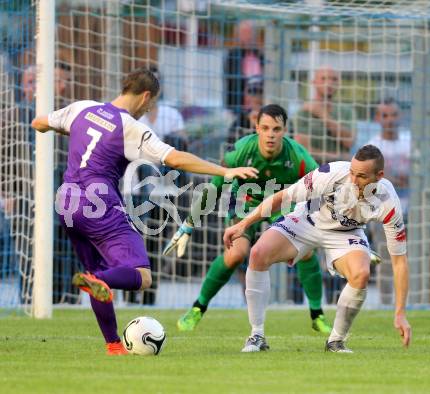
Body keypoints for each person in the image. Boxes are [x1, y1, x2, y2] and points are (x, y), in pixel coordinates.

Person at [31, 67, 258, 356]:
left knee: (100, 273)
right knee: (141, 275)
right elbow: (174, 159)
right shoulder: (131, 127)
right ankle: (100, 283)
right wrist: (226, 170)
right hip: (97, 203)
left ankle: (113, 345)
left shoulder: (82, 108)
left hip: (65, 202)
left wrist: (68, 129)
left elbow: (39, 123)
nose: (149, 110)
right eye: (151, 105)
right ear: (146, 96)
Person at [224, 145, 412, 353]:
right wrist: (242, 225)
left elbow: (399, 261)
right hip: (306, 221)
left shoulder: (389, 203)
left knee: (361, 273)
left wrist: (400, 313)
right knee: (258, 254)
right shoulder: (330, 174)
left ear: (379, 176)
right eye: (352, 172)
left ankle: (336, 341)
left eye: (361, 176)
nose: (353, 180)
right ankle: (256, 336)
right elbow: (283, 197)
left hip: (345, 234)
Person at [164, 104, 332, 334]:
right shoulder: (241, 150)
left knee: (306, 251)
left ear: (285, 130)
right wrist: (189, 224)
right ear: (257, 128)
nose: (270, 134)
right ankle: (197, 308)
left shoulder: (298, 156)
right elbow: (214, 188)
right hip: (244, 203)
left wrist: (340, 229)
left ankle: (317, 314)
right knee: (236, 255)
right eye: (265, 128)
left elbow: (324, 188)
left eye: (276, 129)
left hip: (280, 205)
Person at [367, 99, 410, 304]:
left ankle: (414, 300)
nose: (390, 119)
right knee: (386, 257)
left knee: (414, 255)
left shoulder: (410, 142)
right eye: (385, 115)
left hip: (412, 206)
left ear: (400, 116)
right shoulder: (373, 146)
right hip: (383, 210)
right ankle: (385, 303)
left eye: (393, 114)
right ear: (377, 119)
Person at [293, 66, 356, 164]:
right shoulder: (303, 112)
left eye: (334, 79)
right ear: (314, 82)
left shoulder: (347, 112)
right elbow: (303, 149)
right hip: (312, 169)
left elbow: (349, 142)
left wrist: (323, 115)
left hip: (339, 172)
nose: (329, 83)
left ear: (339, 83)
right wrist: (338, 157)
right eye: (324, 79)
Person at [224, 20, 264, 115]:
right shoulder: (232, 56)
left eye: (249, 33)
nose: (247, 37)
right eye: (243, 33)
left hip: (259, 106)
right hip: (238, 107)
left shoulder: (260, 56)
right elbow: (232, 81)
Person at [227, 75, 264, 144]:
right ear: (246, 95)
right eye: (252, 92)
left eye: (260, 92)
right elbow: (231, 148)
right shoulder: (239, 122)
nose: (256, 97)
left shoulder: (274, 118)